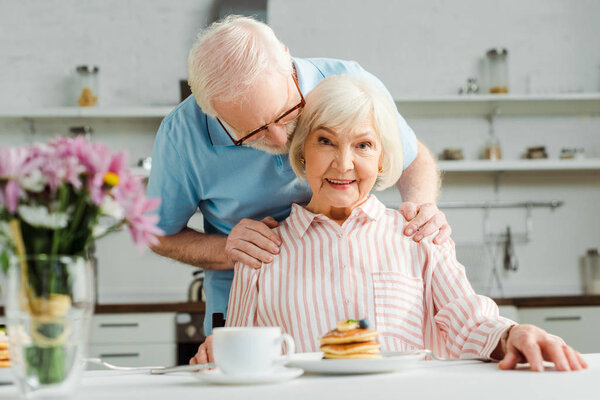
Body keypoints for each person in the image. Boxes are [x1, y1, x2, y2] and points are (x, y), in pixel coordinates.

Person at [190, 75, 587, 372]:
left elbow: (469, 320)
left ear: (381, 159)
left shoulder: (419, 235)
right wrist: (216, 354)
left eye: (363, 145)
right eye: (326, 141)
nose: (344, 164)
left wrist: (510, 333)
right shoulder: (261, 249)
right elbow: (238, 360)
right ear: (302, 152)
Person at [147, 15, 449, 336]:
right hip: (246, 298)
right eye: (251, 133)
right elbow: (158, 234)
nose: (280, 140)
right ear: (214, 114)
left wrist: (420, 208)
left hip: (350, 286)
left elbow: (413, 158)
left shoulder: (349, 83)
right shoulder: (181, 135)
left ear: (288, 63)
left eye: (287, 113)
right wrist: (226, 250)